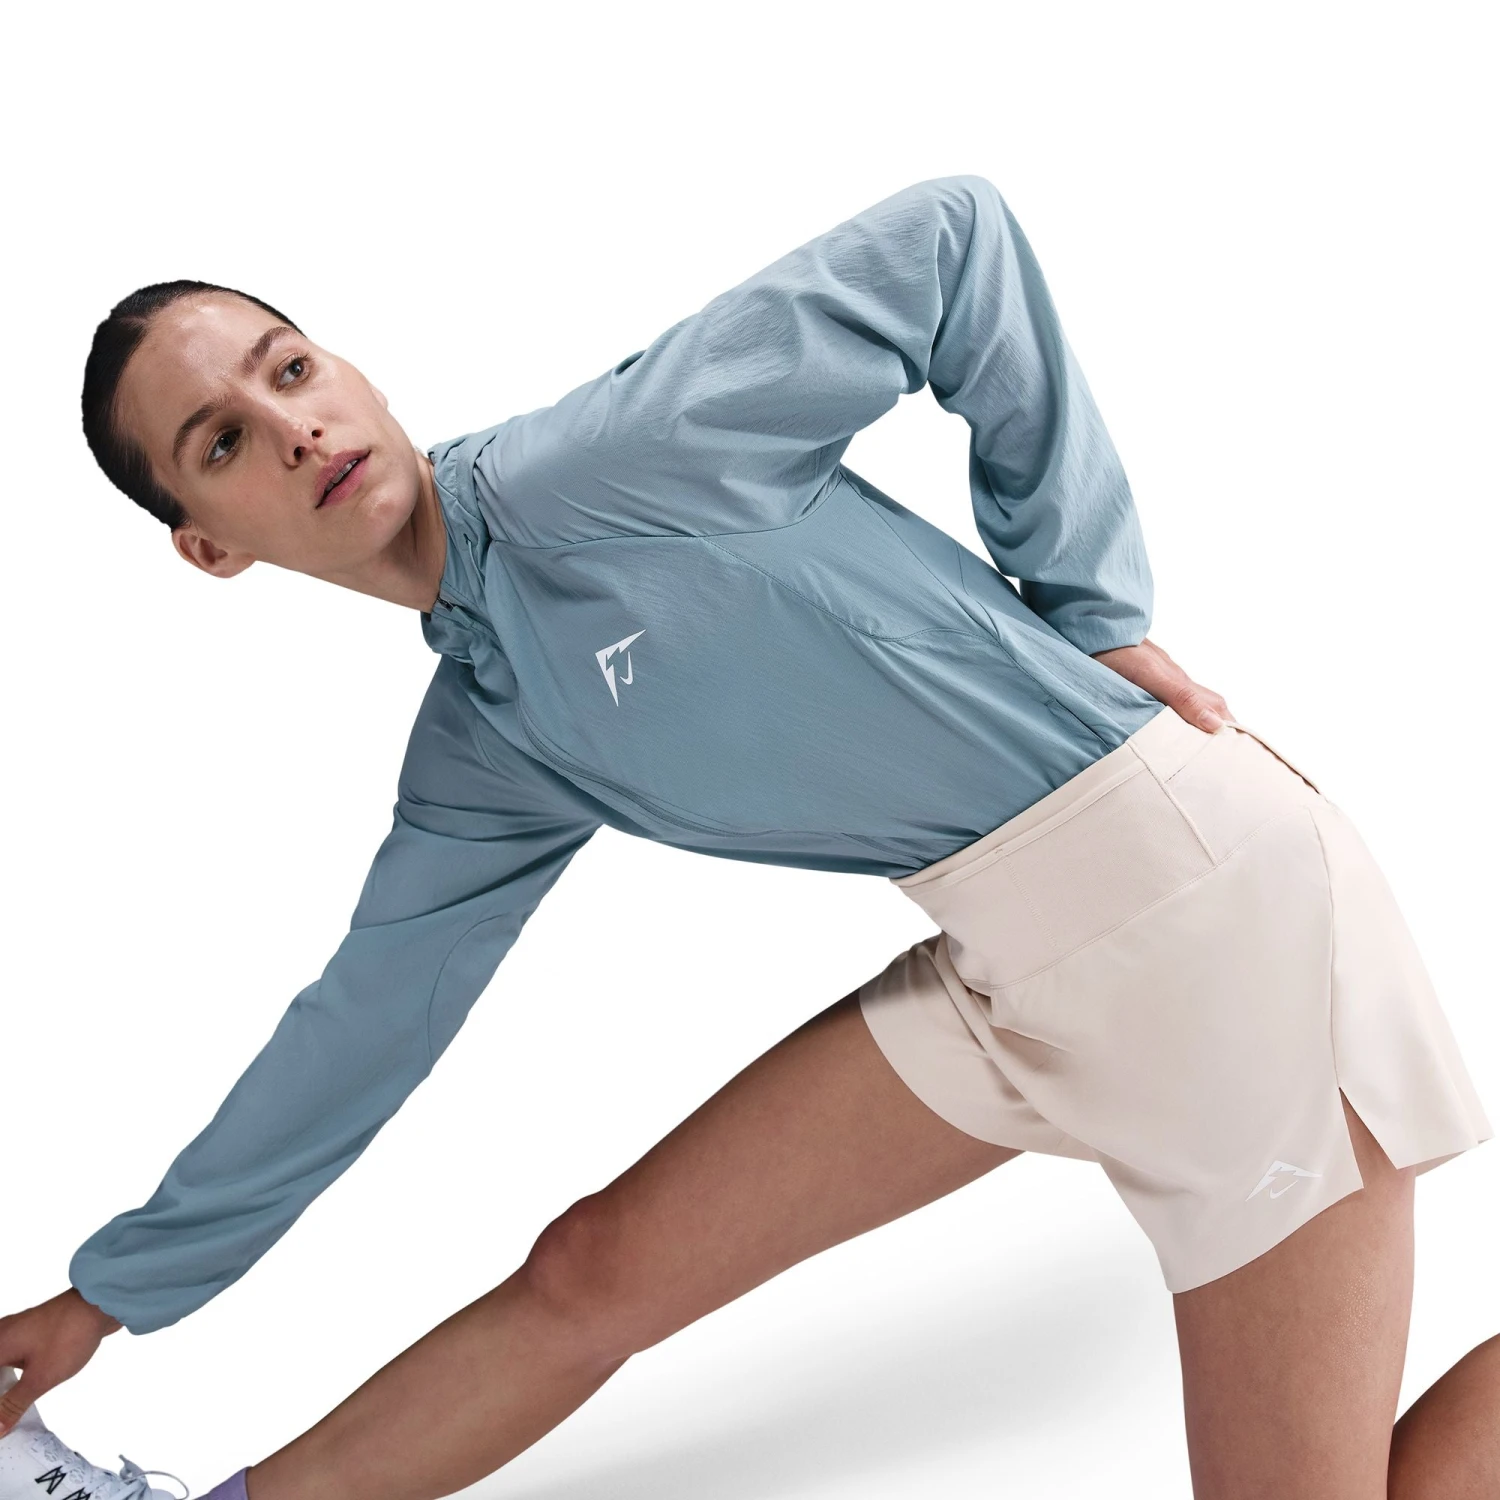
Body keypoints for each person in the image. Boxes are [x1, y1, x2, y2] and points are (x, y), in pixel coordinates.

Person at [1, 174, 1494, 1498]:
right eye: (225, 440)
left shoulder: (598, 466)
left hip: (1208, 918)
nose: (296, 429)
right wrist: (106, 1299)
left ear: (348, 365)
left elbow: (952, 240)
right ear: (210, 545)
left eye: (290, 368)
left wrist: (1090, 611)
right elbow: (362, 1029)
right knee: (594, 1275)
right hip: (1016, 968)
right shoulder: (486, 731)